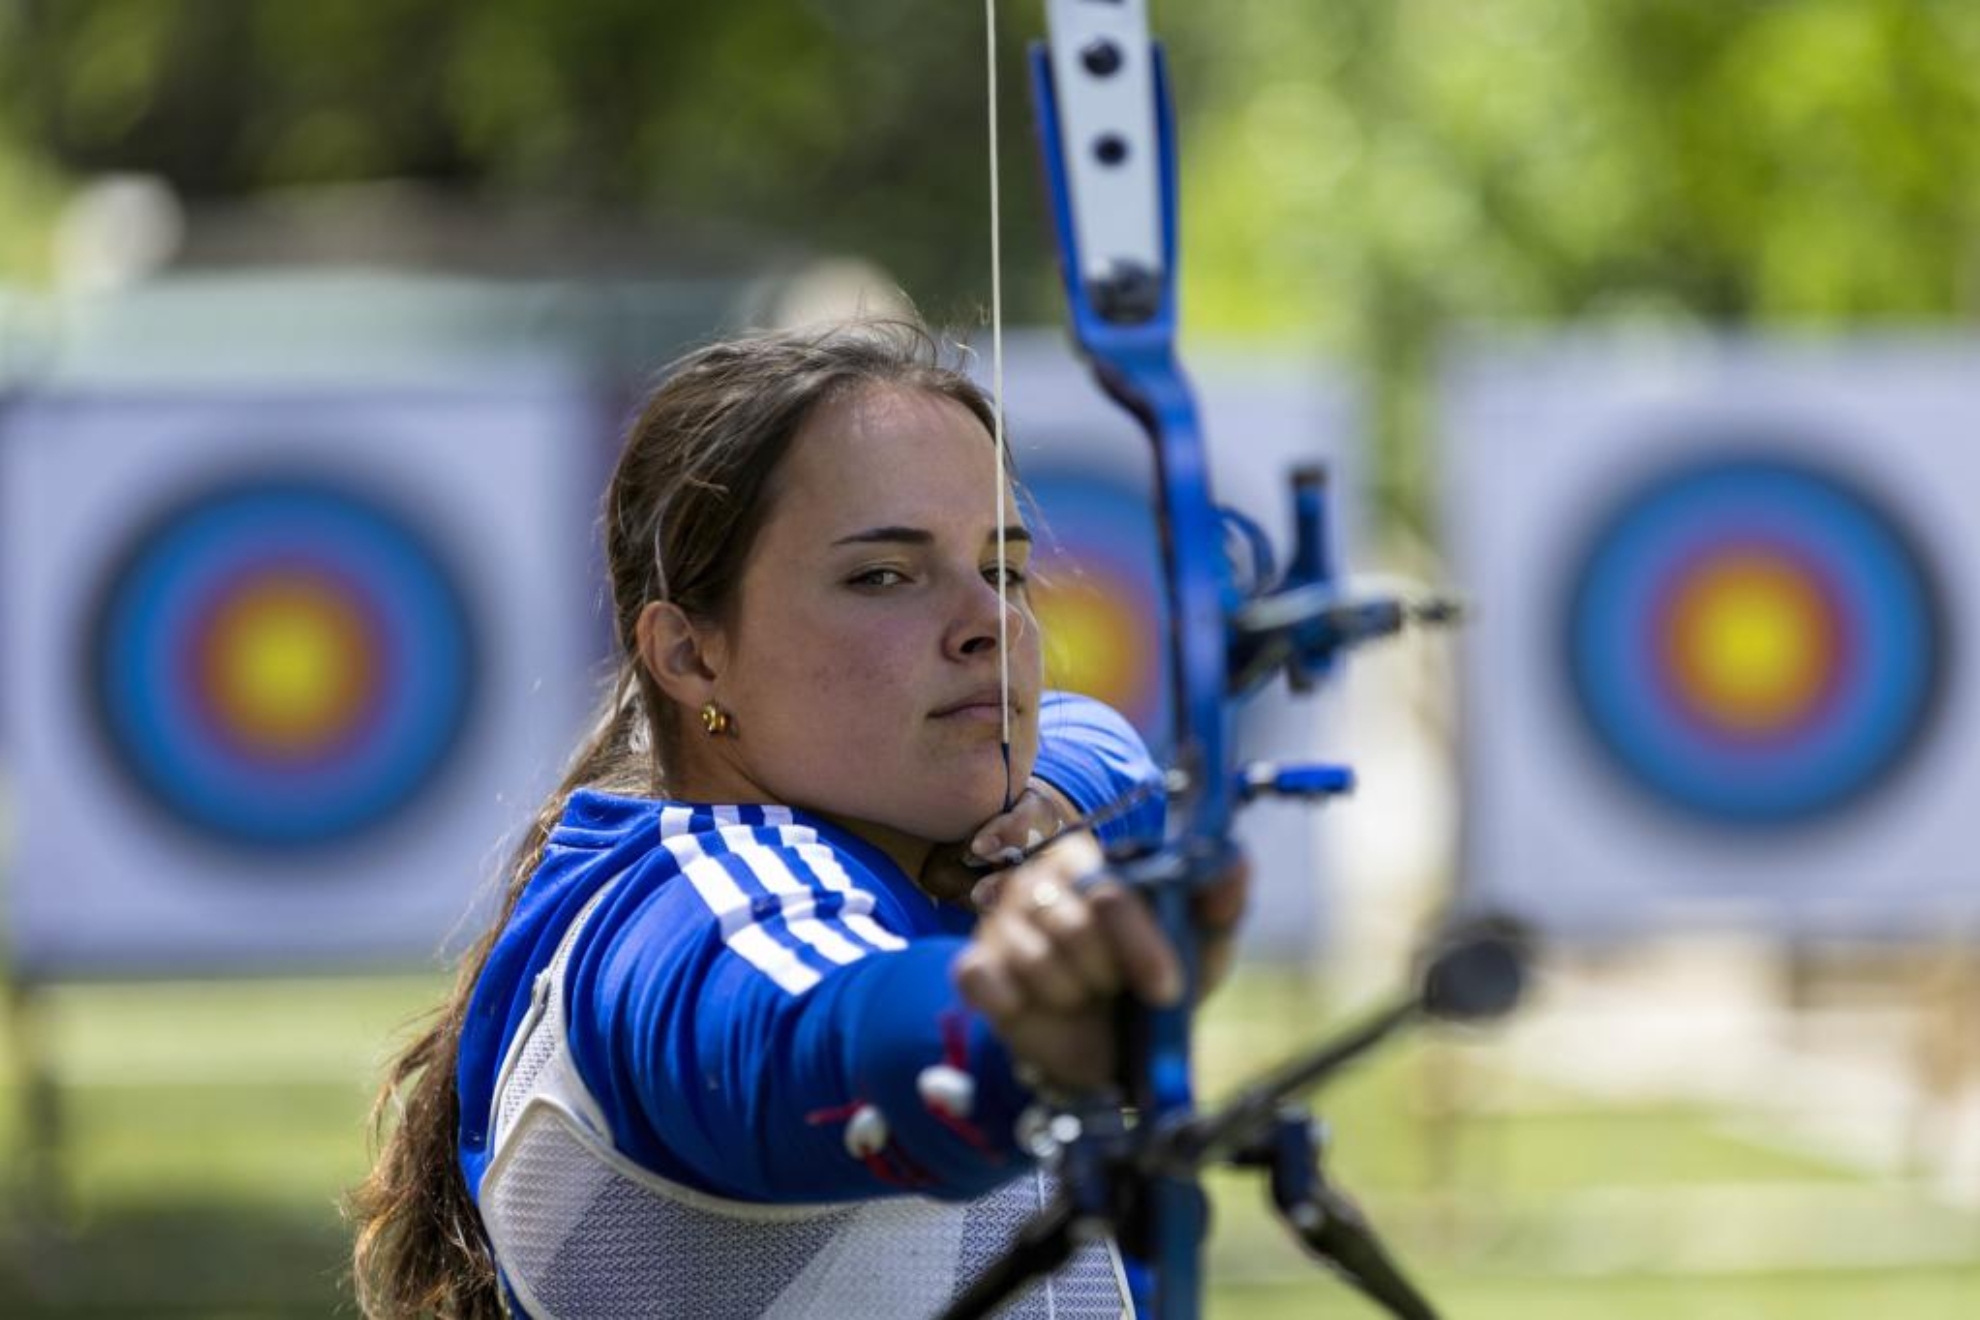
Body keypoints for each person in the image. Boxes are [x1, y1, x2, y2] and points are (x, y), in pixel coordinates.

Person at [349, 321, 1244, 1319]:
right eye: (882, 577)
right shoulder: (682, 910)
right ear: (690, 656)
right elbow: (806, 1032)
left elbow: (1099, 741)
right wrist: (1003, 1039)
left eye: (1002, 569)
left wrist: (1061, 802)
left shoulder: (948, 832)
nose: (989, 623)